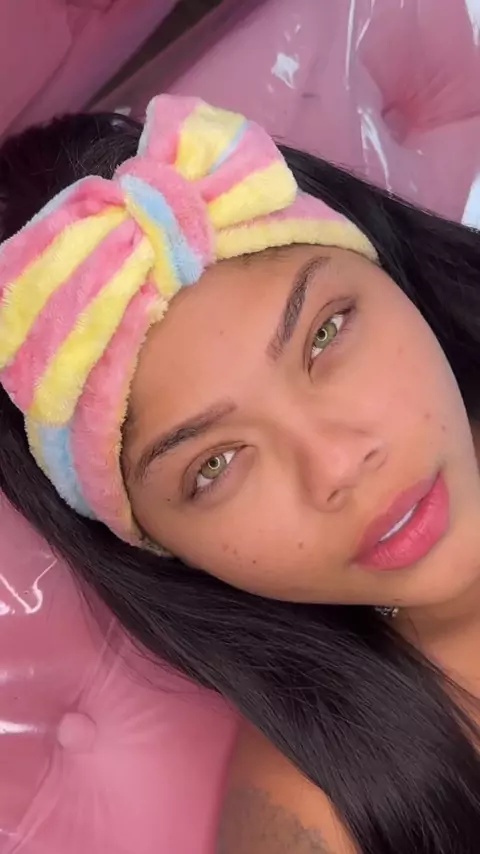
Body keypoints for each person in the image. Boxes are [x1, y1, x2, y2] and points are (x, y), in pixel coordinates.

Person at [0, 95, 480, 854]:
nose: (337, 465)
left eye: (324, 334)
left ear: (386, 271)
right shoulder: (323, 825)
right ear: (161, 548)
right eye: (214, 466)